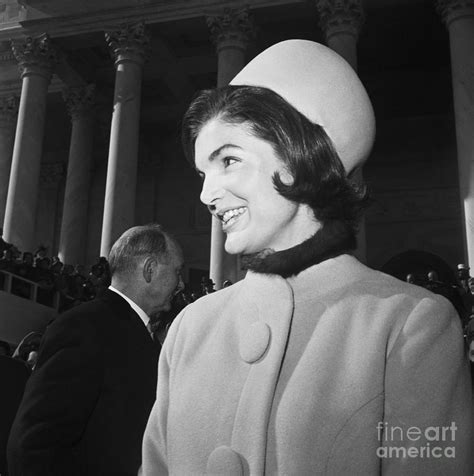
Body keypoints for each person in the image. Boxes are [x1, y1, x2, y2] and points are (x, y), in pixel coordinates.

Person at [141, 40, 473, 474]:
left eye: (229, 161)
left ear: (300, 157)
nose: (206, 194)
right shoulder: (189, 329)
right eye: (203, 173)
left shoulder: (412, 325)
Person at [8, 224, 184, 476]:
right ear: (150, 269)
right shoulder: (85, 326)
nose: (180, 284)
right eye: (177, 272)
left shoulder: (140, 334)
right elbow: (34, 443)